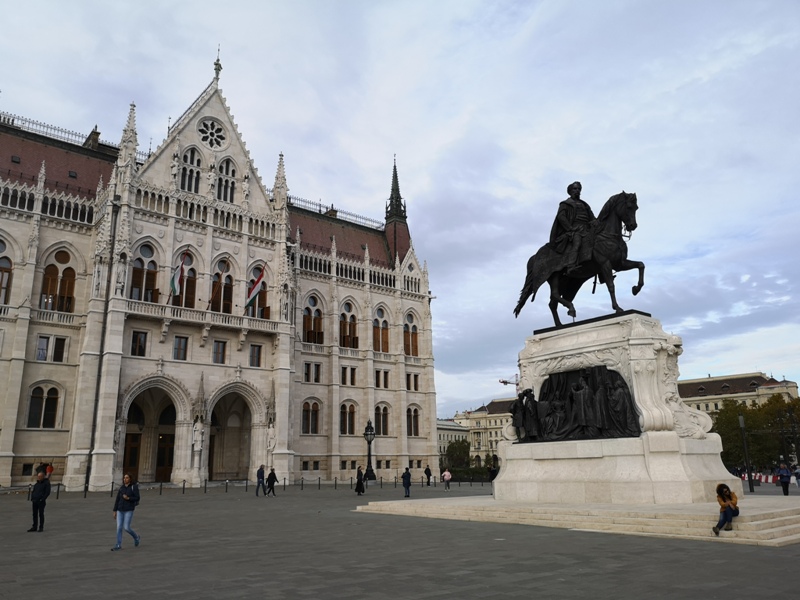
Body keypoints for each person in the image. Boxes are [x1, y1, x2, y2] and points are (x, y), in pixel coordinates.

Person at [548, 181, 596, 274]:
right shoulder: (565, 204)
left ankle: (602, 272)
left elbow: (592, 217)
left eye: (579, 189)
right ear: (570, 191)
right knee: (577, 243)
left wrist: (595, 222)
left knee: (600, 243)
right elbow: (561, 217)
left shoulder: (585, 205)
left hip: (587, 229)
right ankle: (571, 266)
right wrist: (570, 228)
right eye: (575, 189)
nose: (577, 191)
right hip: (574, 229)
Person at [111, 473, 141, 551]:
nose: (125, 479)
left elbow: (137, 498)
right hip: (120, 509)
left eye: (127, 478)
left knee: (127, 527)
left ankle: (136, 537)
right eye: (124, 478)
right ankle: (118, 544)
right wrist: (114, 510)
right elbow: (117, 499)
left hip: (128, 509)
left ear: (130, 479)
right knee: (119, 527)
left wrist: (128, 498)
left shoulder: (134, 487)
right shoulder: (122, 488)